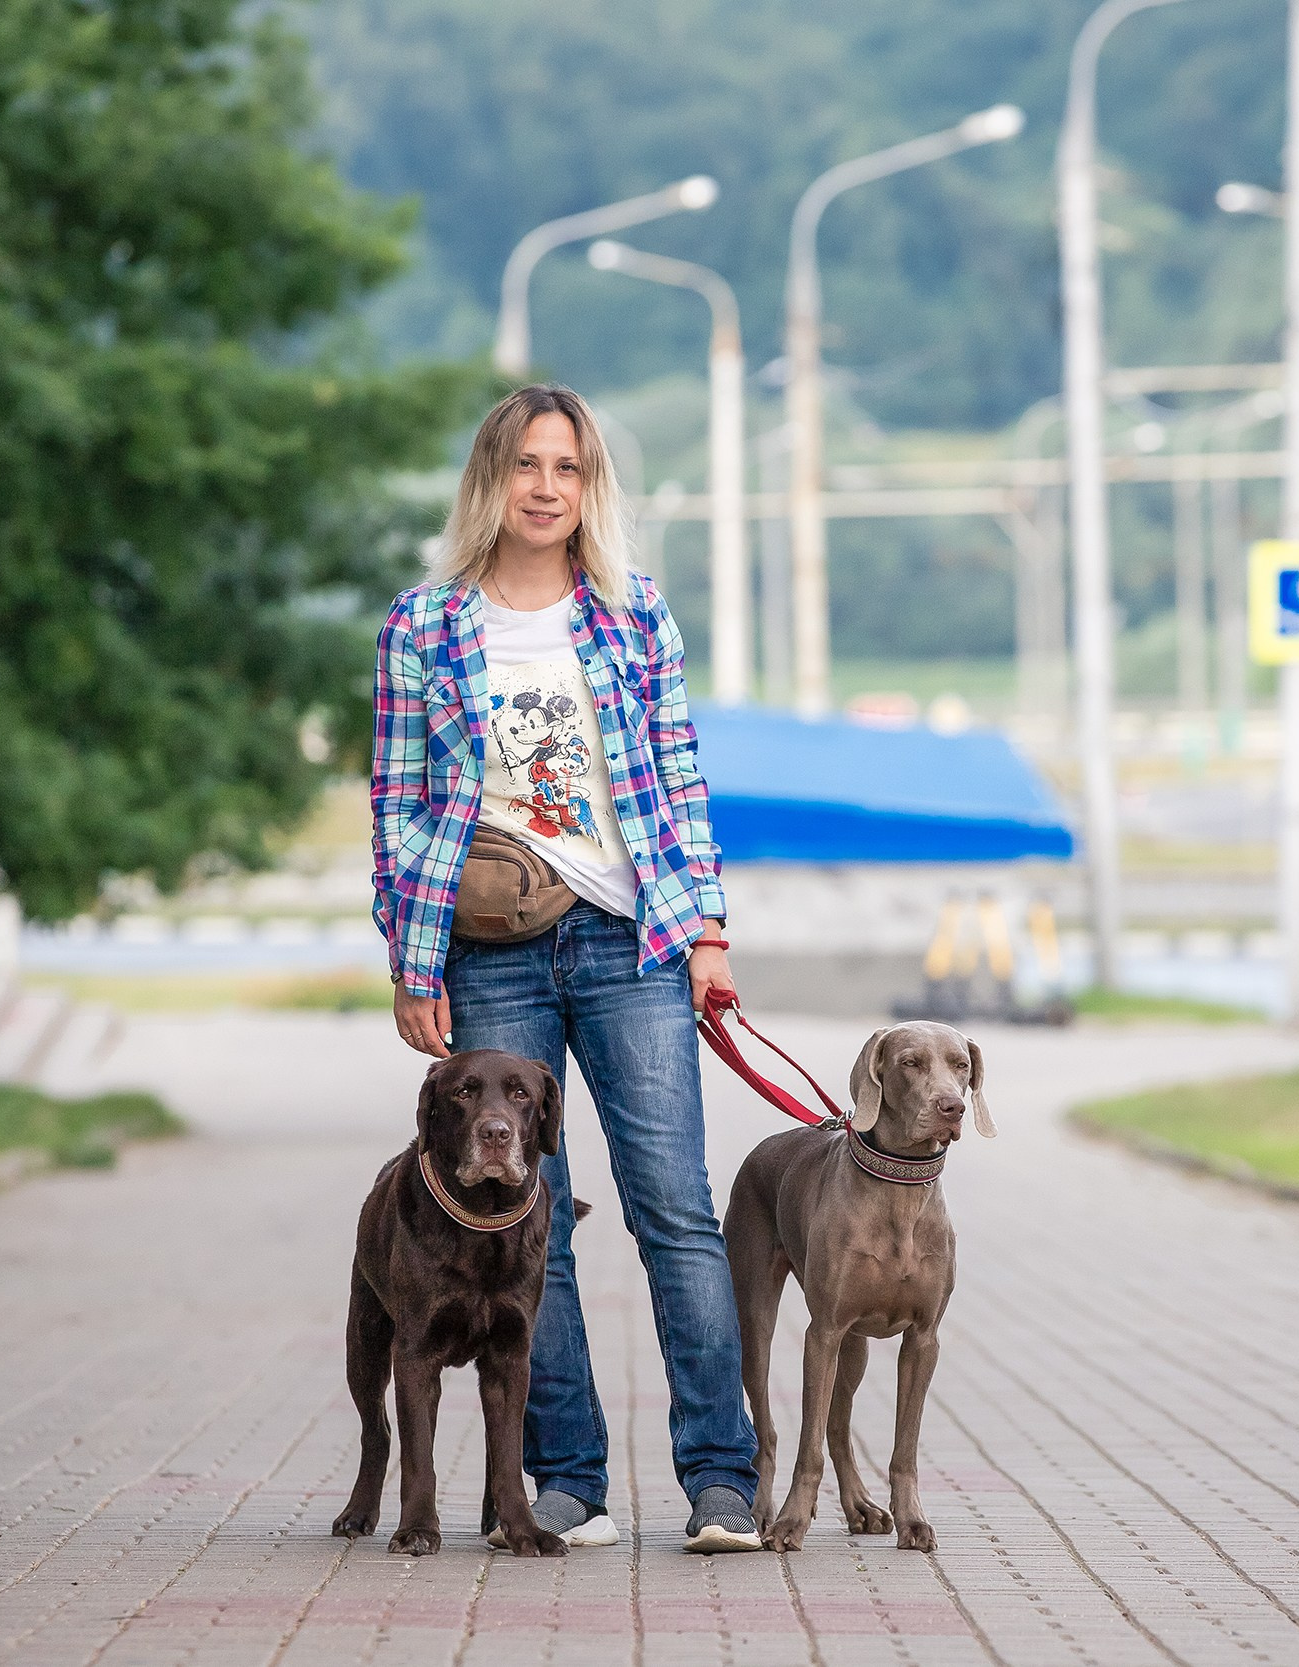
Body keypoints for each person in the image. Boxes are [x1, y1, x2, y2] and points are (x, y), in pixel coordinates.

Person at [369, 384, 760, 1553]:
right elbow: (396, 806)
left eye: (569, 467)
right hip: (492, 949)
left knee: (674, 1207)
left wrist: (705, 931)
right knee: (533, 1213)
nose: (547, 488)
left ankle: (721, 1478)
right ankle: (568, 1481)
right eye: (527, 465)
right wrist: (412, 962)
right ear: (489, 478)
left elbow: (680, 783)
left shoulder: (634, 614)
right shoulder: (422, 625)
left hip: (630, 938)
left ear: (591, 487)